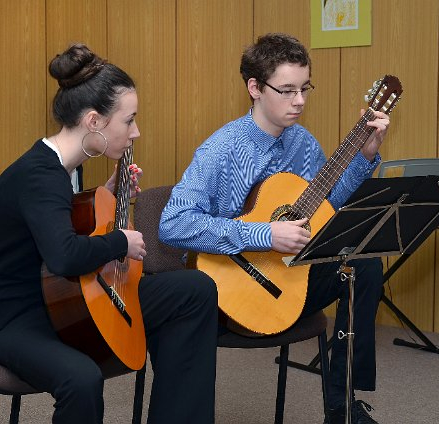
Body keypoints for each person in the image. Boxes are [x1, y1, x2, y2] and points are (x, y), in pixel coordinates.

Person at [0, 43, 218, 424]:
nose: (136, 132)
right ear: (94, 121)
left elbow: (66, 232)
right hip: (13, 319)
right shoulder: (40, 175)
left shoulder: (69, 169)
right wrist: (122, 241)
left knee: (193, 290)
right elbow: (64, 256)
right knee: (82, 378)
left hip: (65, 297)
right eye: (128, 120)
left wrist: (110, 192)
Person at [159, 33, 389, 424]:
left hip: (287, 280)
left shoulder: (303, 143)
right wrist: (263, 234)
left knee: (363, 266)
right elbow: (173, 223)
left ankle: (341, 404)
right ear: (254, 88)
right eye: (286, 90)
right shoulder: (222, 149)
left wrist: (364, 158)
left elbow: (325, 206)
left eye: (304, 88)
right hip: (230, 286)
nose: (299, 101)